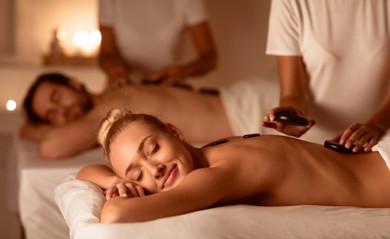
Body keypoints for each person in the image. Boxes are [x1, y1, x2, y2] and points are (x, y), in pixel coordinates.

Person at [76, 108, 390, 223]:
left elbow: (115, 215)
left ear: (174, 132)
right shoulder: (214, 150)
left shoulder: (219, 175)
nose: (153, 169)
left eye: (153, 149)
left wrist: (122, 185)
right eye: (138, 173)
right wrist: (116, 181)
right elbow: (84, 172)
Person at [20, 72, 278, 159]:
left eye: (57, 98)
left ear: (74, 83)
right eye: (51, 115)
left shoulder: (111, 104)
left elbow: (51, 147)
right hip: (249, 111)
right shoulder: (111, 103)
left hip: (258, 109)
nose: (62, 110)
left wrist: (39, 129)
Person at [263, 0, 390, 153]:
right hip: (313, 146)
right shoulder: (288, 2)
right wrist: (295, 116)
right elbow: (292, 94)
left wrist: (375, 127)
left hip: (378, 142)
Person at [98, 0, 217, 89]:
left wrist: (182, 71)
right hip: (124, 90)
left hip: (168, 90)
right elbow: (106, 54)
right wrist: (113, 68)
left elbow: (210, 57)